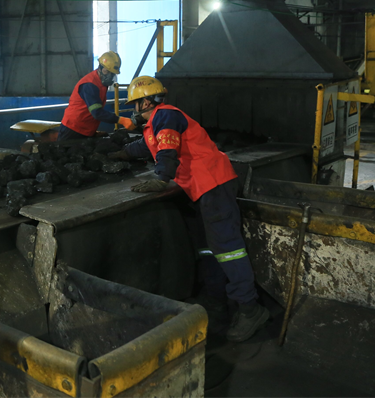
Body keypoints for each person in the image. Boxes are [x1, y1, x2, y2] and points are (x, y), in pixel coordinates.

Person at [113, 75, 269, 342]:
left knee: (228, 249)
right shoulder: (157, 123)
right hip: (201, 188)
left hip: (214, 184)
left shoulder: (166, 116)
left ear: (146, 102)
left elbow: (167, 148)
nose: (133, 110)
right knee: (208, 247)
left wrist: (161, 178)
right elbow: (147, 145)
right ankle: (216, 300)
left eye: (134, 104)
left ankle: (250, 309)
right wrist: (120, 153)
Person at [58, 51, 135, 142]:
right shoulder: (90, 85)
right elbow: (97, 113)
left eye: (112, 74)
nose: (110, 76)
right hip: (73, 129)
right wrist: (122, 120)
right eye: (107, 72)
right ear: (100, 68)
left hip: (85, 130)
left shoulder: (101, 83)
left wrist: (92, 132)